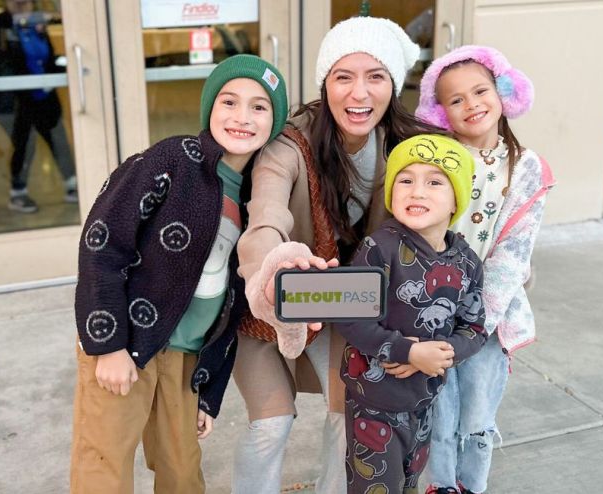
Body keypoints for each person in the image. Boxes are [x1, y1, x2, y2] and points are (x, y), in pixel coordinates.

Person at [233, 16, 442, 493]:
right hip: (282, 299)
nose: (359, 93)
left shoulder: (408, 147)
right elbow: (266, 216)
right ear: (325, 82)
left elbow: (446, 215)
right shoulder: (290, 143)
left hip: (354, 303)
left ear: (393, 83)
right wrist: (271, 270)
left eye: (375, 77)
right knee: (269, 425)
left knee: (349, 414)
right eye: (343, 77)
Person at [70, 54, 288, 493]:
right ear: (210, 108)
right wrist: (108, 345)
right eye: (229, 101)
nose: (242, 117)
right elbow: (102, 244)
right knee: (105, 463)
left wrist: (209, 391)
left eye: (259, 107)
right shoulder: (174, 160)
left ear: (274, 122)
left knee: (182, 470)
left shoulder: (255, 199)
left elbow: (233, 307)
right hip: (129, 344)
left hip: (187, 358)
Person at [413, 45, 556, 494]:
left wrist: (476, 323)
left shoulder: (527, 168)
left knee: (476, 414)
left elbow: (513, 251)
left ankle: (472, 485)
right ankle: (440, 485)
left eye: (480, 91)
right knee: (437, 406)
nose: (471, 104)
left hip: (489, 318)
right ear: (440, 112)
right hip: (434, 307)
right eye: (456, 99)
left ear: (505, 93)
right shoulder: (434, 159)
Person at [336, 134, 487, 493]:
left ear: (456, 200)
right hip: (373, 403)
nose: (417, 191)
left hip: (423, 401)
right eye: (406, 180)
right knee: (376, 486)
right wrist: (408, 351)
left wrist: (440, 354)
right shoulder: (379, 248)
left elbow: (475, 328)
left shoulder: (467, 261)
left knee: (408, 483)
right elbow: (350, 317)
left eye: (434, 182)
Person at [0, 0, 76, 213]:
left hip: (44, 96)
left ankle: (72, 184)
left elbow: (46, 59)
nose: (22, 4)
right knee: (25, 143)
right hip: (13, 100)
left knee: (57, 137)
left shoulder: (36, 25)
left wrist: (63, 68)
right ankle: (18, 193)